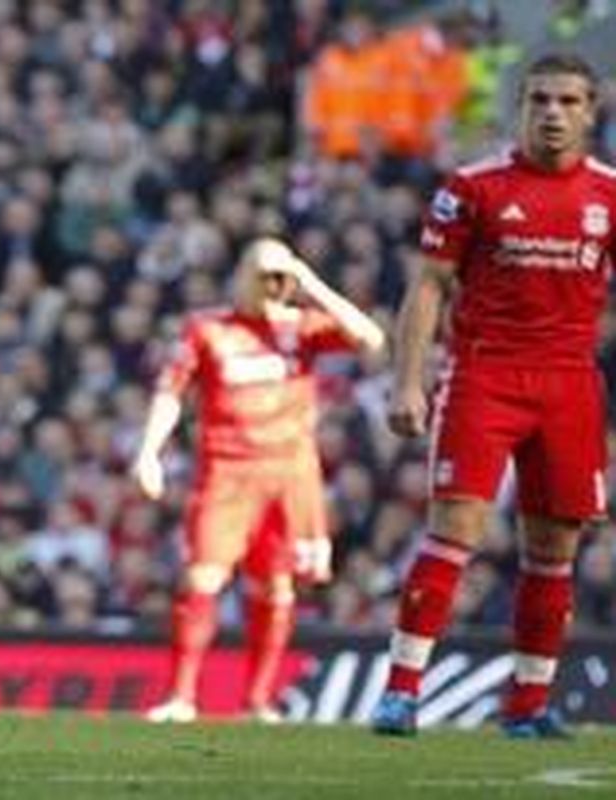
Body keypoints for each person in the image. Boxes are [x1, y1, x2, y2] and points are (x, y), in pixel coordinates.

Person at [371, 53, 612, 739]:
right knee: (456, 530)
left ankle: (529, 705)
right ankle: (400, 691)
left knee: (555, 546)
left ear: (591, 111)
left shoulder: (609, 194)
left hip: (569, 382)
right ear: (522, 107)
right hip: (486, 375)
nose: (553, 114)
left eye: (568, 101)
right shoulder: (474, 187)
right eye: (540, 100)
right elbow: (428, 286)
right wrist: (408, 380)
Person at [134, 237, 385, 723]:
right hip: (227, 473)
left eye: (279, 276)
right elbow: (170, 392)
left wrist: (309, 282)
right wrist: (149, 452)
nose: (272, 285)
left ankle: (258, 701)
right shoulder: (208, 329)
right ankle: (181, 698)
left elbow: (370, 338)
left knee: (276, 587)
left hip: (290, 475)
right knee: (202, 577)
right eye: (263, 274)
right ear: (241, 276)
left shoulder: (301, 328)